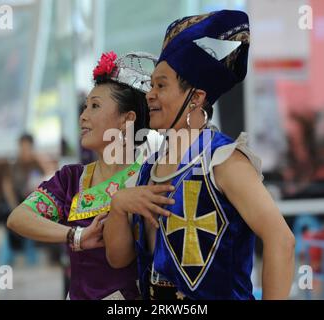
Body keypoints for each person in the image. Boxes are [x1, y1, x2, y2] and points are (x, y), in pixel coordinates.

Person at [104, 10, 295, 300]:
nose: (149, 95)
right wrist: (118, 206)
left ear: (196, 98)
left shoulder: (223, 159)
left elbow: (280, 238)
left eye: (161, 85)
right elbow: (119, 261)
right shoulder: (150, 167)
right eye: (151, 85)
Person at [7, 51, 172, 300]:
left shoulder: (148, 176)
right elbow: (18, 218)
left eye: (95, 106)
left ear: (127, 120)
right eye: (85, 107)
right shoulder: (71, 179)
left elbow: (123, 259)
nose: (83, 116)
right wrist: (76, 235)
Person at [0, 134, 47, 266]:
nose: (24, 150)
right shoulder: (14, 165)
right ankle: (6, 259)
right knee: (11, 224)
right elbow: (7, 186)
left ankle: (30, 257)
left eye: (27, 147)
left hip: (32, 203)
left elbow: (47, 179)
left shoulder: (36, 163)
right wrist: (15, 206)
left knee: (30, 222)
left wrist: (40, 159)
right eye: (22, 147)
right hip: (14, 204)